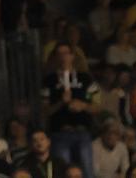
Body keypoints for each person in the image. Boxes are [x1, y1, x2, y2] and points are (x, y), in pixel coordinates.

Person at [43, 41, 96, 176]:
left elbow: (97, 106)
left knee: (87, 171)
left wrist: (82, 105)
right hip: (60, 133)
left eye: (66, 53)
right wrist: (61, 102)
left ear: (72, 56)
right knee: (62, 171)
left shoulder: (85, 79)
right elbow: (45, 110)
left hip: (82, 132)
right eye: (59, 54)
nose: (63, 57)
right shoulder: (49, 81)